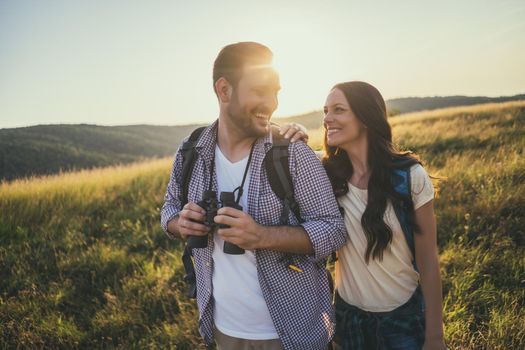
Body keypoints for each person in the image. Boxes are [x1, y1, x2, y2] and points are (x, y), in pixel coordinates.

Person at [160, 42, 347, 350]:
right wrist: (180, 225)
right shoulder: (190, 150)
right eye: (260, 91)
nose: (271, 103)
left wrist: (261, 236)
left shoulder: (292, 153)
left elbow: (334, 229)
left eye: (275, 92)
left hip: (293, 334)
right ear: (224, 90)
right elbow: (169, 208)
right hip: (223, 329)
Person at [321, 81, 447, 350]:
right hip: (348, 320)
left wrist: (435, 337)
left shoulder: (410, 177)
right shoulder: (326, 175)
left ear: (366, 117)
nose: (327, 118)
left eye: (338, 110)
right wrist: (290, 131)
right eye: (325, 110)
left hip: (402, 319)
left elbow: (428, 261)